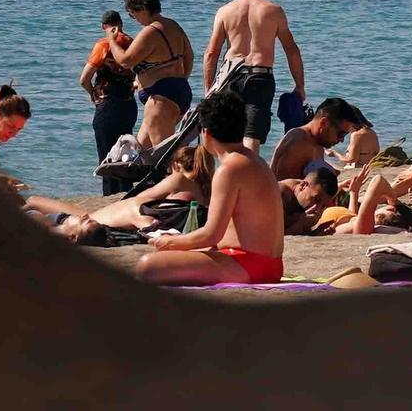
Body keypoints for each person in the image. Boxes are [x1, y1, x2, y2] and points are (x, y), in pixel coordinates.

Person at [135, 92, 287, 286]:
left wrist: (170, 241)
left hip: (248, 264)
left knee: (147, 265)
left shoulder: (229, 169)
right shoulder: (254, 161)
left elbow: (212, 234)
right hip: (269, 264)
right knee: (178, 256)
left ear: (205, 132)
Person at [201, 0, 306, 149]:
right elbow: (291, 50)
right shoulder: (274, 11)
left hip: (230, 77)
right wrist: (299, 85)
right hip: (260, 77)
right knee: (252, 136)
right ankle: (249, 175)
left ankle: (227, 174)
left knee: (230, 135)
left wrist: (209, 89)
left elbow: (211, 53)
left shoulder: (225, 11)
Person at [24, 146, 211, 238]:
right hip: (101, 221)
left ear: (177, 165)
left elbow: (142, 199)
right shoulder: (207, 191)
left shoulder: (179, 178)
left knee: (33, 201)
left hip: (91, 219)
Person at [105, 0, 194, 148]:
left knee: (167, 159)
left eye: (133, 14)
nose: (135, 19)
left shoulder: (150, 32)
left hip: (160, 101)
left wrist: (111, 40)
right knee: (141, 155)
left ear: (143, 9)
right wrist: (180, 80)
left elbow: (125, 60)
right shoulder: (173, 25)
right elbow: (189, 56)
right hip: (178, 91)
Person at [79, 10, 138, 193]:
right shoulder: (133, 43)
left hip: (108, 105)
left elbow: (84, 79)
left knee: (107, 157)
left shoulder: (104, 45)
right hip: (128, 105)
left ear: (104, 27)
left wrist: (93, 94)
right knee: (125, 154)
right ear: (121, 23)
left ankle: (110, 196)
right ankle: (126, 193)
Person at [270, 97, 365, 182]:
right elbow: (283, 193)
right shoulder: (298, 144)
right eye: (341, 134)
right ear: (324, 123)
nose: (341, 140)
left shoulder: (317, 143)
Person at [312, 173, 412, 235]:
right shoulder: (360, 223)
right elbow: (351, 215)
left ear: (391, 210)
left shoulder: (364, 227)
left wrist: (394, 201)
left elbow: (378, 180)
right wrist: (354, 192)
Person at [278, 165, 340, 236]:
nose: (317, 208)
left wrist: (314, 233)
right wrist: (300, 225)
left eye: (323, 205)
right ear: (303, 185)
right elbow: (272, 238)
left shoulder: (304, 202)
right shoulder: (280, 194)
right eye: (316, 199)